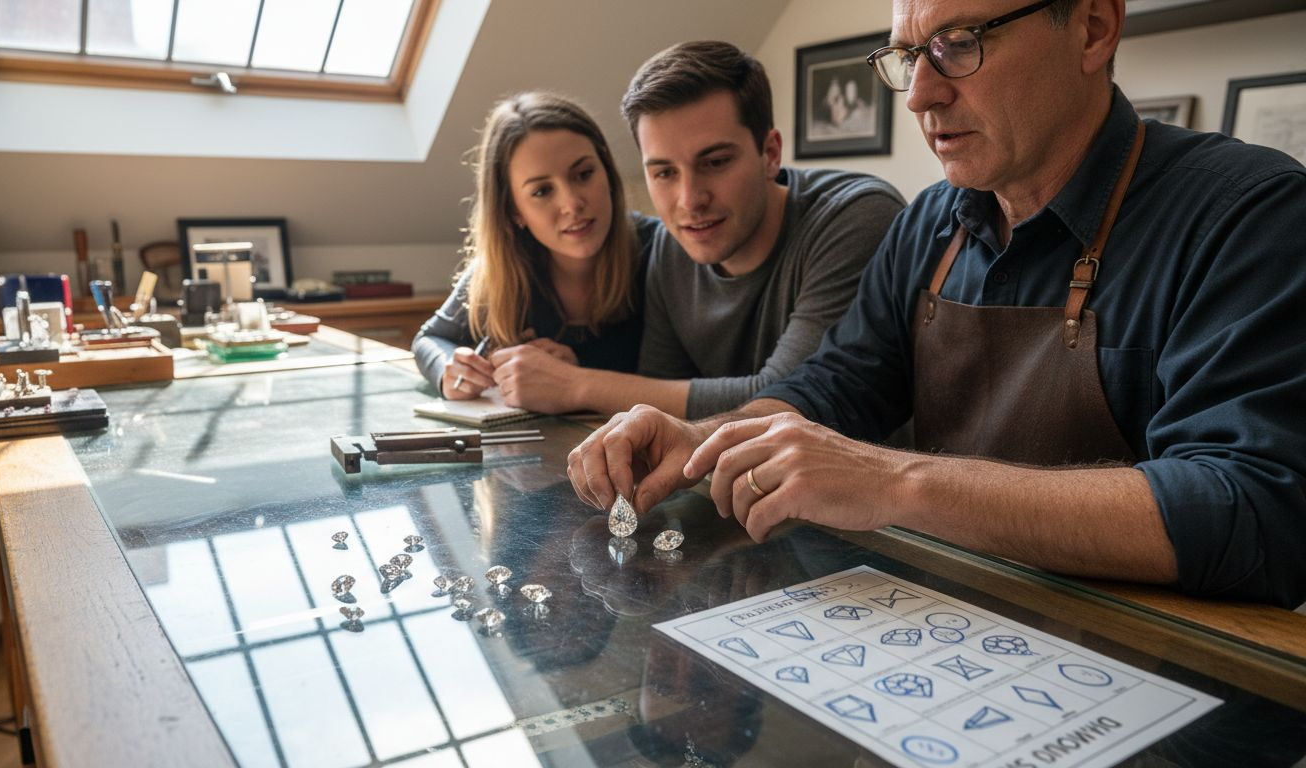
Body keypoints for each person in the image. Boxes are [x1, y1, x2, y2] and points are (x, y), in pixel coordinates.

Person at [569, 0, 1306, 608]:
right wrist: (700, 440)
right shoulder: (931, 223)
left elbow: (1256, 512)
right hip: (950, 631)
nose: (921, 93)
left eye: (959, 44)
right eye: (908, 56)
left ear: (1092, 26)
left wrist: (895, 482)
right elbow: (835, 391)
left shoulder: (1246, 213)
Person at [485, 41, 904, 418]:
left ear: (770, 153)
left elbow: (787, 399)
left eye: (716, 162)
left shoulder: (855, 217)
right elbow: (656, 405)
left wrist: (575, 386)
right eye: (664, 172)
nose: (689, 200)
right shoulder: (671, 248)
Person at [413, 92, 657, 401]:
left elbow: (681, 384)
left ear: (607, 171)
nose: (572, 203)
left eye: (584, 174)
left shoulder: (658, 249)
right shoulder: (502, 267)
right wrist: (451, 368)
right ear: (514, 211)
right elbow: (430, 339)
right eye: (542, 191)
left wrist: (573, 377)